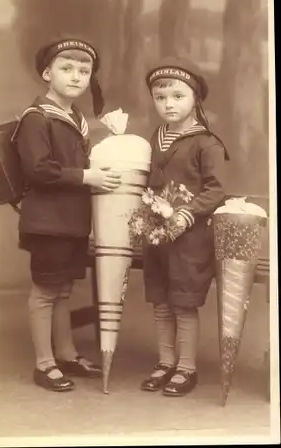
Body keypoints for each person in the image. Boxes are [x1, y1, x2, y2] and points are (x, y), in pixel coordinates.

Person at [12, 35, 122, 392]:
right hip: (48, 222)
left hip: (70, 221)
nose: (76, 76)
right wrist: (87, 176)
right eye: (66, 68)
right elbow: (38, 170)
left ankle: (66, 354)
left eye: (84, 71)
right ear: (47, 73)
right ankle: (44, 364)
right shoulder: (37, 117)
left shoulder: (74, 116)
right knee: (46, 291)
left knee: (61, 291)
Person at [141, 57, 229, 397]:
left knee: (183, 302)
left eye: (178, 96)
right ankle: (165, 362)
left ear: (195, 99)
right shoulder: (156, 137)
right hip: (158, 235)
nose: (169, 104)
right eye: (161, 98)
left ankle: (186, 367)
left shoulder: (206, 143)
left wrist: (186, 214)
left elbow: (216, 190)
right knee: (161, 301)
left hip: (190, 237)